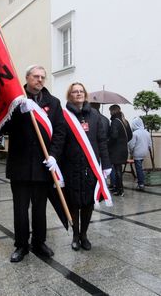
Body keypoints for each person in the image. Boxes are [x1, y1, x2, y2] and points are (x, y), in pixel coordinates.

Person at [5, 65, 66, 263]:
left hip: (43, 165)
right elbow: (3, 127)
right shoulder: (15, 101)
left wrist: (54, 156)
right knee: (20, 209)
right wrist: (20, 112)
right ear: (27, 77)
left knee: (40, 208)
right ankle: (21, 245)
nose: (39, 80)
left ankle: (39, 242)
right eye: (36, 76)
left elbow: (59, 132)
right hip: (20, 165)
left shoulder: (54, 103)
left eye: (42, 77)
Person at [62, 83, 111, 251]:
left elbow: (102, 141)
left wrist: (106, 164)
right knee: (74, 203)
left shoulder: (95, 115)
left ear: (85, 94)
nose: (78, 94)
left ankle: (84, 235)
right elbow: (60, 142)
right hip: (71, 167)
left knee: (89, 203)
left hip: (91, 168)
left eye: (81, 91)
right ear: (70, 95)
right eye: (75, 91)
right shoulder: (64, 115)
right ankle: (75, 235)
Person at [108, 104, 133, 197]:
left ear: (112, 111)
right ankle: (118, 188)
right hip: (123, 150)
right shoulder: (125, 121)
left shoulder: (115, 121)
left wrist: (108, 144)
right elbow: (130, 136)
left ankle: (119, 189)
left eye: (110, 111)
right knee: (118, 169)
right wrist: (123, 143)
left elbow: (113, 136)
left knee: (117, 170)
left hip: (116, 150)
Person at [128, 117, 152, 191]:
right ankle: (141, 182)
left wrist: (131, 152)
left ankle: (141, 184)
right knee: (140, 168)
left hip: (137, 153)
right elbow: (149, 144)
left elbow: (131, 145)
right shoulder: (147, 133)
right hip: (144, 152)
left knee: (139, 169)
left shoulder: (135, 134)